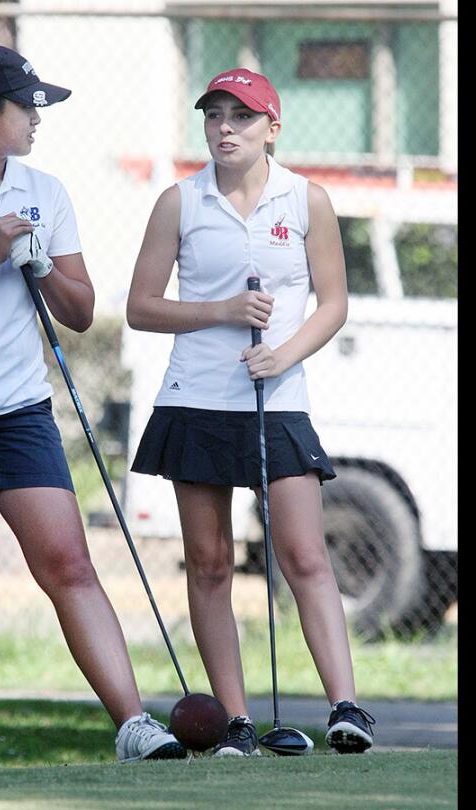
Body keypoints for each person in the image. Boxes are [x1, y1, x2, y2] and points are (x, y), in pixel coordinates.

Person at [0, 41, 186, 769]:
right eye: (28, 105)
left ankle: (135, 726)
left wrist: (40, 262)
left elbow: (78, 314)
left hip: (19, 408)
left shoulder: (45, 191)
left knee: (69, 563)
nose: (39, 118)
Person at [125, 68, 377, 756]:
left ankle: (346, 709)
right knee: (208, 563)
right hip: (196, 400)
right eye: (214, 116)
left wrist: (284, 353)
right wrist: (222, 312)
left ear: (273, 127)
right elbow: (141, 307)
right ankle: (236, 719)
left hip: (279, 399)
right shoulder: (179, 202)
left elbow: (333, 302)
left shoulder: (307, 200)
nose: (224, 128)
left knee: (304, 555)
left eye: (240, 116)